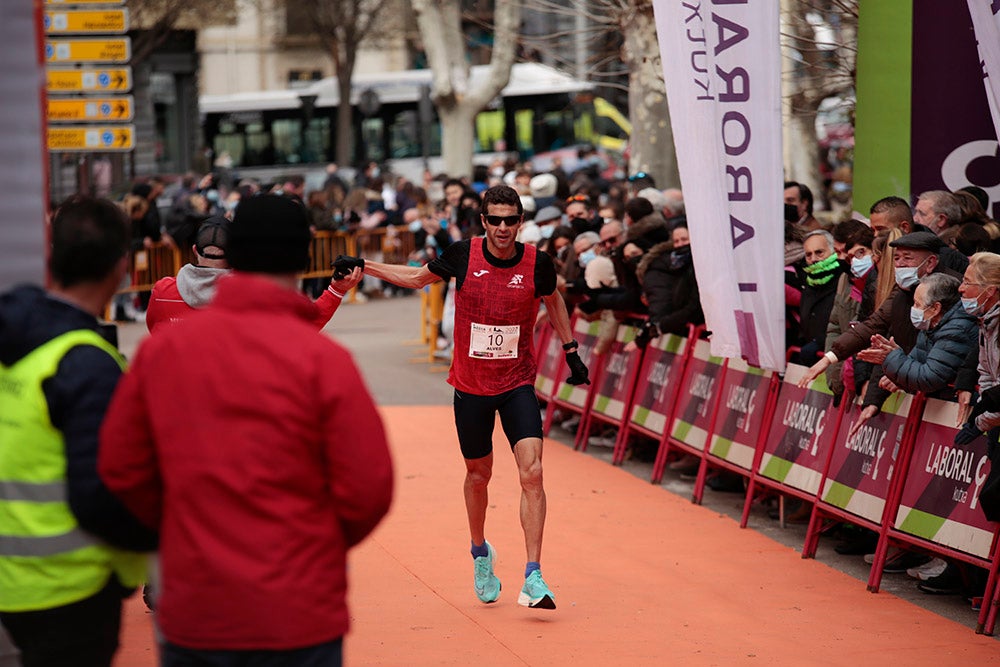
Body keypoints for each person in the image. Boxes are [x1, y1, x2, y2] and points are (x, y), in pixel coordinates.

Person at [98, 195, 393, 665]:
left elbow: (121, 468)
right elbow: (368, 490)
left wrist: (174, 536)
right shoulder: (325, 362)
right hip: (299, 606)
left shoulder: (161, 349)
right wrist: (311, 544)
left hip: (195, 605)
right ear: (304, 258)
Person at [333, 184, 589, 610]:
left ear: (520, 222)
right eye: (495, 220)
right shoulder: (463, 255)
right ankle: (480, 552)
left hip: (517, 382)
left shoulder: (537, 263)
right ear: (484, 221)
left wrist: (571, 349)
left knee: (533, 472)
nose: (503, 228)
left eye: (511, 220)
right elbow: (417, 278)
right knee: (478, 476)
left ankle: (534, 575)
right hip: (471, 387)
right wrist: (365, 265)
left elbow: (554, 298)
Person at [0, 196, 157, 666]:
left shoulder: (16, 337)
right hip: (69, 585)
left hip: (12, 579)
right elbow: (102, 493)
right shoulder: (88, 365)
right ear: (121, 267)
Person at [145, 214, 362, 333]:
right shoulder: (254, 297)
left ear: (194, 250)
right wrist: (335, 290)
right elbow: (303, 328)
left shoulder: (162, 292)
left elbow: (154, 332)